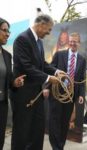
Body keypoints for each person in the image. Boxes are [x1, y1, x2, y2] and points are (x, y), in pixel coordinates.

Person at [11, 14, 62, 150]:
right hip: (23, 95)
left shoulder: (39, 42)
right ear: (41, 25)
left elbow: (42, 64)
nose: (49, 33)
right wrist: (48, 78)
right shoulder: (22, 39)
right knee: (22, 132)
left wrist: (56, 71)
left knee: (37, 131)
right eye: (49, 29)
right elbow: (27, 67)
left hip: (37, 94)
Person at [49, 32, 87, 150]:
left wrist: (81, 94)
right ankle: (56, 146)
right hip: (57, 94)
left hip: (71, 96)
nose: (72, 43)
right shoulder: (59, 55)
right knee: (55, 121)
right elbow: (50, 69)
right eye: (70, 41)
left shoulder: (82, 60)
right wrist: (46, 87)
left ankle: (60, 146)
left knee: (65, 122)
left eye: (74, 41)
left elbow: (82, 79)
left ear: (79, 43)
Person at [0, 17, 25, 150]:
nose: (7, 34)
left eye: (8, 31)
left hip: (2, 106)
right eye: (4, 30)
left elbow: (8, 81)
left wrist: (14, 83)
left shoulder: (7, 55)